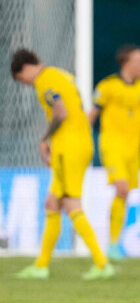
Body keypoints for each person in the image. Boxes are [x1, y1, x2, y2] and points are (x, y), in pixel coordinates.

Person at [11, 49, 115, 280]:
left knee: (70, 203)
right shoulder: (61, 74)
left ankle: (101, 262)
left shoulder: (44, 80)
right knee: (52, 203)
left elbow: (61, 112)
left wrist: (43, 138)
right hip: (79, 143)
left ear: (25, 68)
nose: (25, 83)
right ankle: (41, 266)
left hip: (68, 147)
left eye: (21, 79)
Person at [88, 45, 140, 261]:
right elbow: (91, 117)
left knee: (125, 193)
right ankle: (112, 244)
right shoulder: (107, 86)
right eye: (139, 60)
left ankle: (115, 243)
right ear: (125, 62)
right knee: (121, 187)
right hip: (111, 145)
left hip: (133, 149)